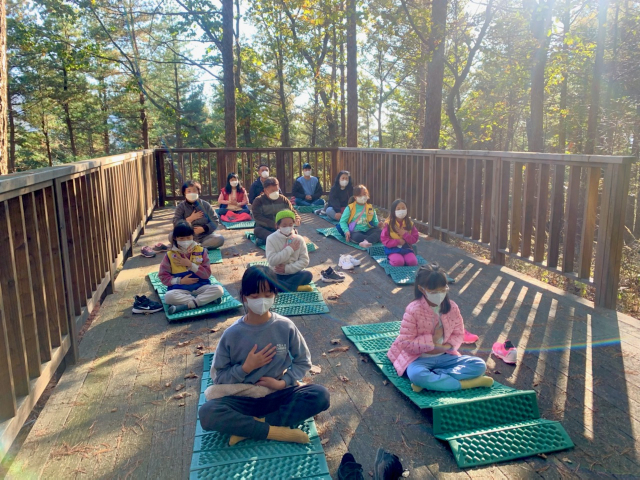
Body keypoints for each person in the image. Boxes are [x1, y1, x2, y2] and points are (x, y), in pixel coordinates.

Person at [198, 265, 330, 445]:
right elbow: (219, 377)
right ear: (244, 297)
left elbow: (302, 361)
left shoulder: (285, 326)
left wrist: (282, 383)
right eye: (255, 296)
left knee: (320, 394)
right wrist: (245, 368)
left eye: (268, 295)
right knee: (207, 413)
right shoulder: (232, 334)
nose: (262, 301)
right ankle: (275, 430)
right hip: (242, 398)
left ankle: (251, 428)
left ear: (275, 294)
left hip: (276, 394)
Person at [387, 264, 493, 392]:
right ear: (422, 289)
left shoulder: (452, 307)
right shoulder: (413, 310)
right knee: (417, 375)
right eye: (434, 292)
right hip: (419, 358)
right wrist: (433, 339)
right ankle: (466, 384)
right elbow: (405, 343)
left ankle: (435, 378)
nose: (439, 295)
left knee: (479, 365)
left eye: (443, 290)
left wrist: (446, 347)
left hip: (445, 356)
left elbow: (458, 334)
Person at [158, 221, 224, 315]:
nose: (185, 241)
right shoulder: (169, 255)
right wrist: (180, 281)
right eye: (181, 238)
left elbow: (206, 274)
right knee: (168, 297)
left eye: (188, 237)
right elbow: (163, 276)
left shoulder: (201, 251)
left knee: (219, 289)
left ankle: (189, 305)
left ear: (193, 236)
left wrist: (191, 265)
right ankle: (203, 301)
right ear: (175, 238)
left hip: (201, 286)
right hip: (180, 289)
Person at [266, 210, 313, 292]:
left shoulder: (299, 239)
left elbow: (305, 261)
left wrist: (287, 269)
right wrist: (290, 249)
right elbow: (272, 261)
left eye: (290, 225)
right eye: (284, 225)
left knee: (308, 275)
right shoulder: (271, 239)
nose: (288, 227)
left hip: (293, 274)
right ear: (277, 225)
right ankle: (295, 288)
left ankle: (281, 287)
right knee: (263, 276)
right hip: (276, 274)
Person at [170, 180, 224, 249]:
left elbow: (215, 220)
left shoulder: (205, 205)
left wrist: (204, 228)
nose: (192, 193)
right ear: (184, 193)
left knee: (220, 239)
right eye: (189, 191)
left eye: (194, 190)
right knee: (171, 236)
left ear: (198, 192)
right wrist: (189, 219)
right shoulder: (181, 206)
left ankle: (197, 247)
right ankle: (196, 247)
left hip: (205, 236)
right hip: (187, 237)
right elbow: (176, 222)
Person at [252, 177, 301, 242]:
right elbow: (257, 217)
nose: (275, 192)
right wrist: (273, 224)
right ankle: (275, 239)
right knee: (257, 230)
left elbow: (292, 211)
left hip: (282, 227)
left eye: (277, 190)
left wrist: (297, 218)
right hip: (265, 227)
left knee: (292, 231)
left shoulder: (283, 199)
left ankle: (276, 239)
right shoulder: (258, 201)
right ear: (265, 190)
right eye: (272, 191)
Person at [380, 199, 419, 266]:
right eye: (398, 209)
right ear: (393, 211)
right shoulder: (388, 224)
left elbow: (414, 239)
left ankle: (405, 258)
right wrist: (397, 241)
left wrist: (405, 234)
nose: (401, 210)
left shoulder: (410, 224)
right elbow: (384, 240)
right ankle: (390, 258)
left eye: (403, 208)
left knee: (413, 262)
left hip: (407, 248)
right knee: (399, 262)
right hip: (393, 249)